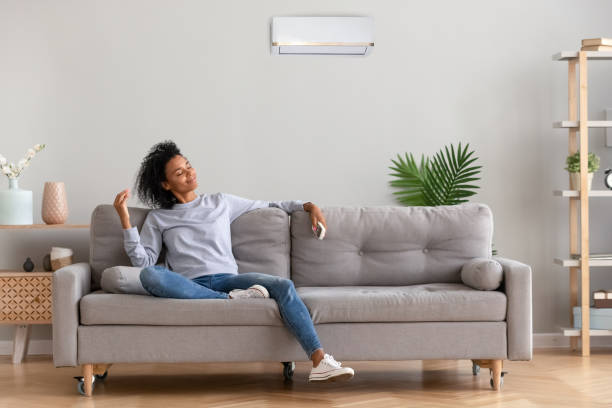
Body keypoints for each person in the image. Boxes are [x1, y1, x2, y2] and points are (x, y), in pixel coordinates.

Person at [112, 140, 354, 383]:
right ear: (166, 184)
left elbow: (272, 205)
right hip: (190, 286)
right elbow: (144, 263)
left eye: (189, 166)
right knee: (150, 276)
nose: (189, 173)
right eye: (179, 172)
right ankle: (230, 300)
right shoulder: (159, 218)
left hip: (229, 280)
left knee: (283, 285)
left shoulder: (220, 202)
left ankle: (319, 360)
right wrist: (125, 219)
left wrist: (310, 206)